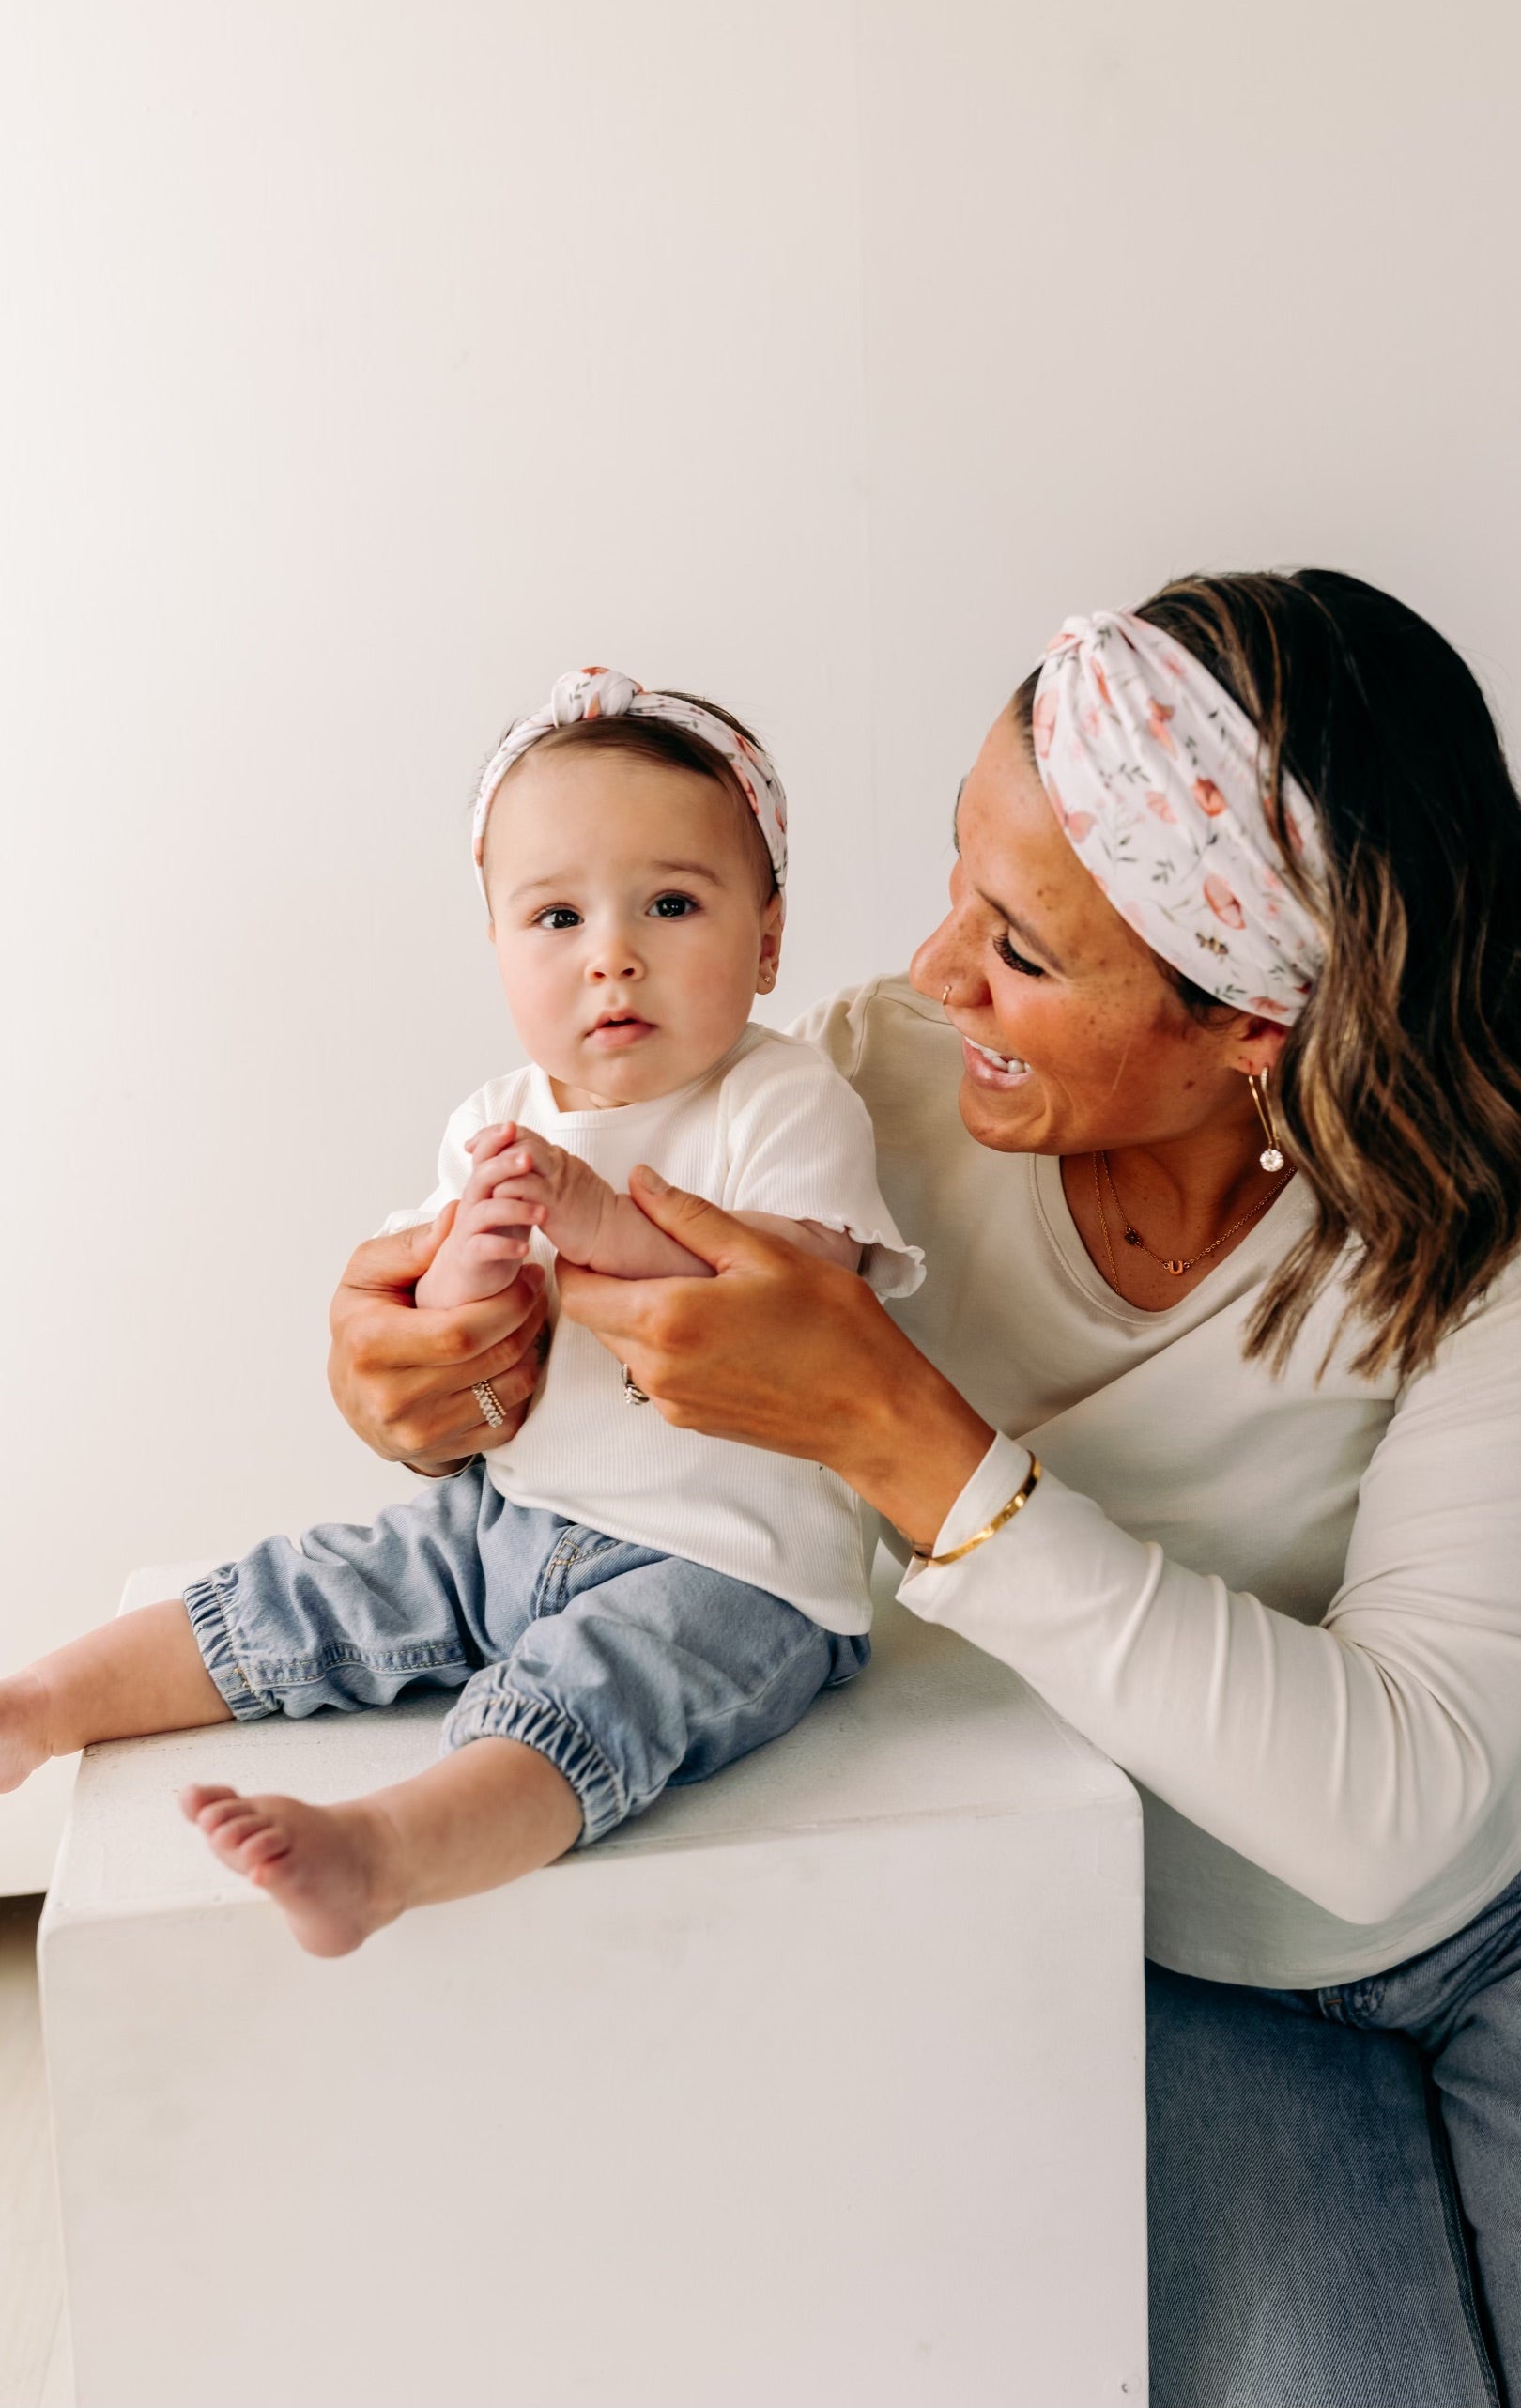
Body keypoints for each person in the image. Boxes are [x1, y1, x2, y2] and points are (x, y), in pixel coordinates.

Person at [330, 571, 1521, 2406]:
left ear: (1258, 1028)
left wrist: (903, 1431)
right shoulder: (848, 1110)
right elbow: (614, 1476)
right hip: (1139, 1933)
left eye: (1027, 952)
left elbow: (1396, 1802)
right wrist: (428, 1389)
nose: (928, 970)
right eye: (958, 872)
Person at [0, 667, 919, 1957]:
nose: (614, 953)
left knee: (598, 1690)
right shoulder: (497, 1120)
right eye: (555, 916)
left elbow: (803, 1293)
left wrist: (598, 1224)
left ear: (768, 941)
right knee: (315, 1587)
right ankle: (37, 1706)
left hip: (731, 1567)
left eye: (671, 902)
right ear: (494, 945)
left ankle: (384, 1851)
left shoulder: (783, 1101)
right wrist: (465, 1276)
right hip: (509, 1518)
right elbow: (443, 1352)